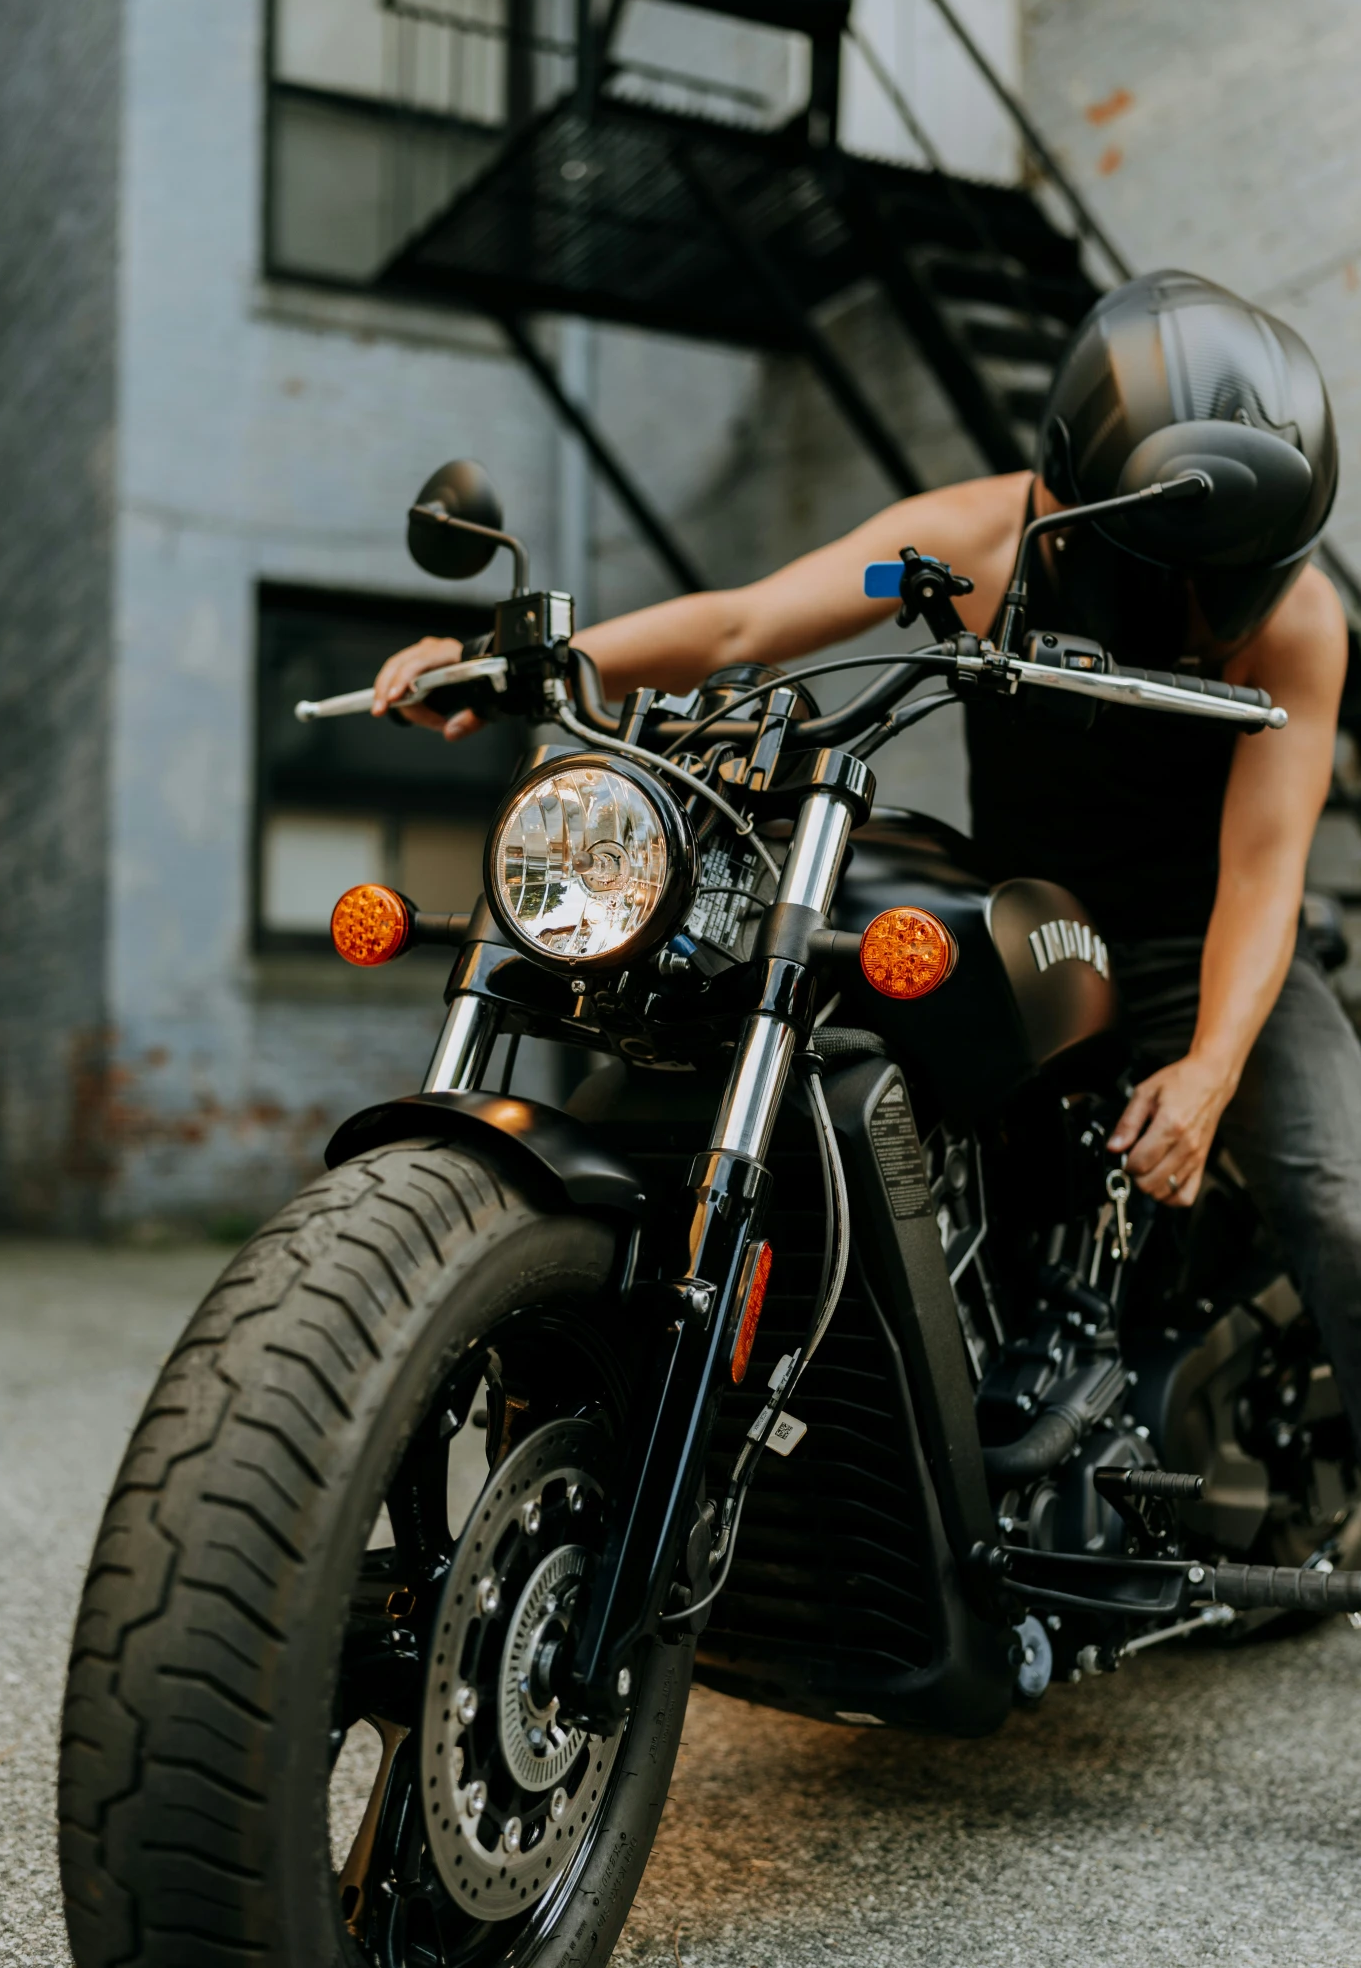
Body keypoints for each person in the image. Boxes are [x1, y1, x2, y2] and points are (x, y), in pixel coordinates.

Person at [372, 270, 1361, 1437]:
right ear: (1080, 499)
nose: (1219, 611)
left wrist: (1209, 1070)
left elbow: (1261, 871)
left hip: (1198, 947)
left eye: (1248, 570)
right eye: (1188, 577)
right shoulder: (979, 545)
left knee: (1340, 1205)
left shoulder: (1296, 626)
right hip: (1029, 928)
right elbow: (743, 623)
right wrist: (511, 663)